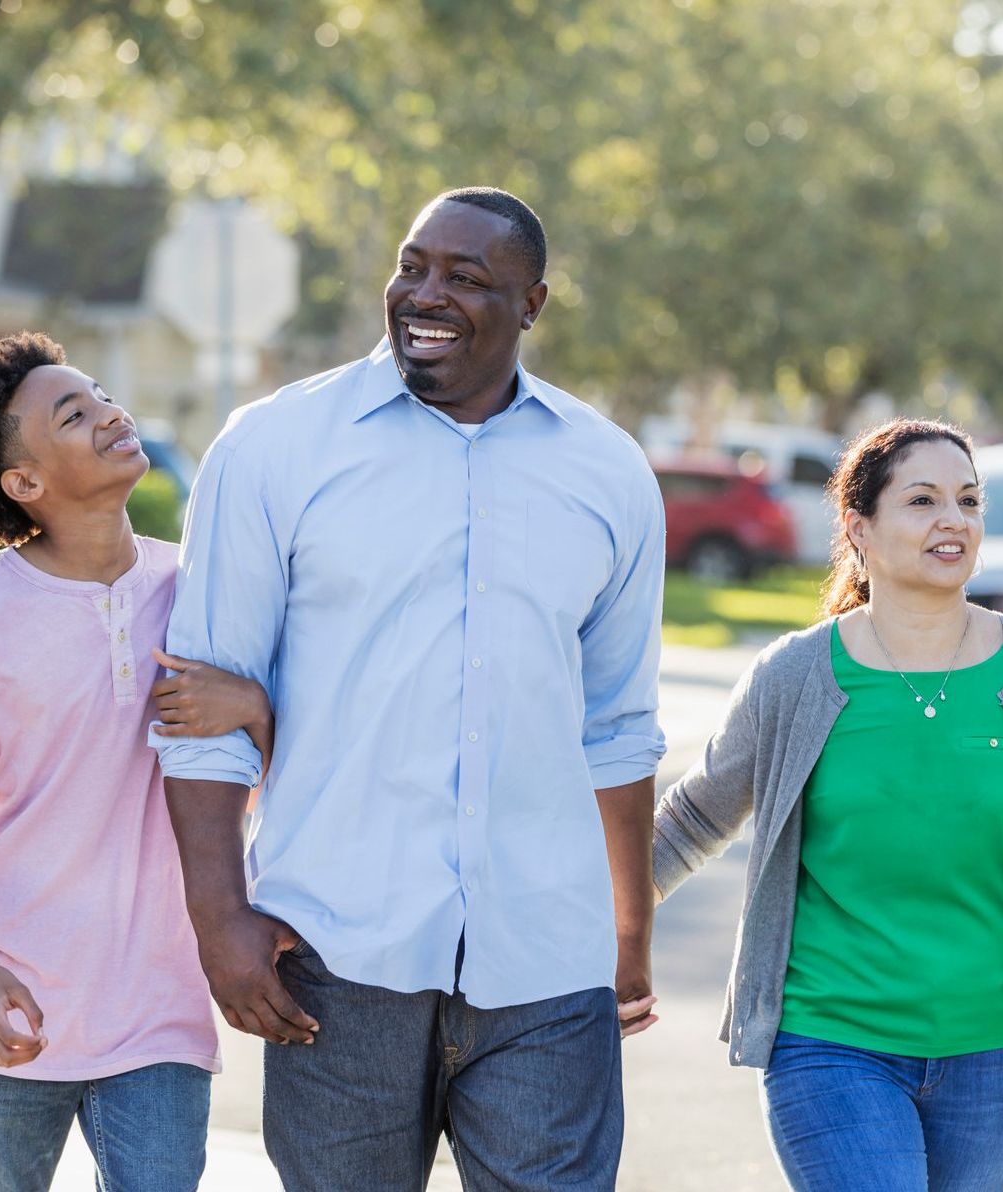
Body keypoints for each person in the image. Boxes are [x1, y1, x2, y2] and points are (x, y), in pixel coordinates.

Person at [151, 187, 667, 1192]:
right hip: (337, 955)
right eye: (413, 265)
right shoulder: (273, 450)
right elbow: (199, 713)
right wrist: (219, 919)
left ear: (533, 305)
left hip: (546, 961)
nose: (425, 293)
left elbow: (616, 728)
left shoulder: (607, 472)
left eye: (466, 278)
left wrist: (628, 934)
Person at [653, 418, 1003, 1192]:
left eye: (968, 499)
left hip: (994, 1055)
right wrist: (599, 935)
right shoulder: (795, 676)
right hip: (829, 1040)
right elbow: (690, 822)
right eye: (922, 500)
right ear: (858, 528)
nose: (952, 520)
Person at [0, 332, 271, 1192]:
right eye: (75, 413)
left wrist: (252, 706)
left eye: (101, 394)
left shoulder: (200, 590)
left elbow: (292, 760)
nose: (110, 413)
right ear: (25, 484)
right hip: (17, 1007)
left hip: (162, 1013)